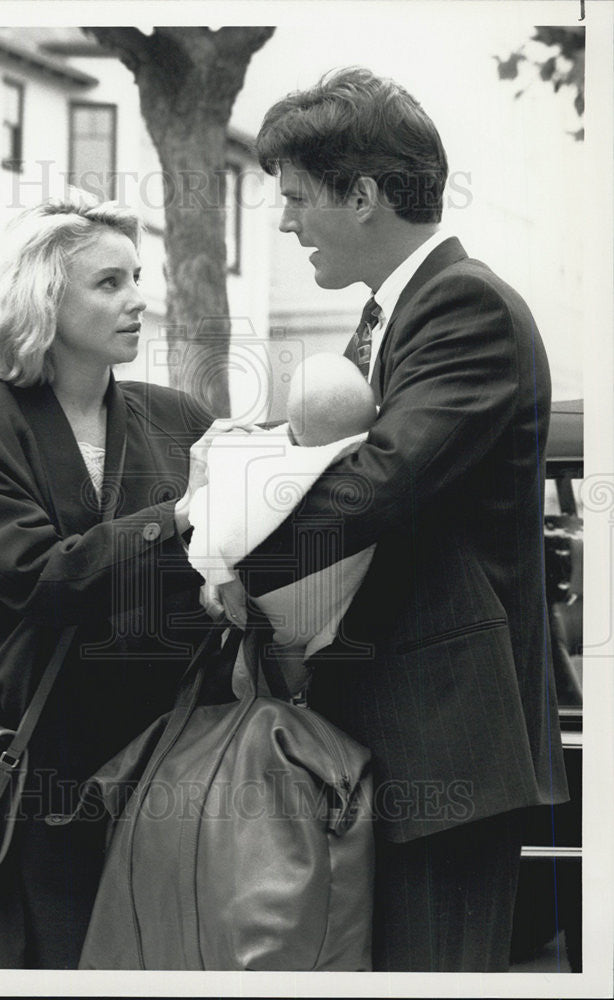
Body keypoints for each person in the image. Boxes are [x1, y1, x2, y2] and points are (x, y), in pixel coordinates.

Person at [205, 66, 569, 971]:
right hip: (400, 739)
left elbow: (378, 482)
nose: (286, 223)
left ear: (362, 195)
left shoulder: (462, 305)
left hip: (447, 744)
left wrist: (217, 560)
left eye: (296, 198)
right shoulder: (390, 317)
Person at [0, 192, 217, 968]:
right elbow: (43, 579)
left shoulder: (179, 419)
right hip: (42, 760)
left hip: (168, 753)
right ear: (45, 300)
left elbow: (231, 554)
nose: (137, 300)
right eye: (109, 283)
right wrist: (175, 518)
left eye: (137, 277)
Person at [190, 352, 378, 696]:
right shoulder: (370, 456)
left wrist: (223, 580)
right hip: (331, 613)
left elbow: (208, 526)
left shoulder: (260, 462)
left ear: (293, 429)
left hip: (269, 612)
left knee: (268, 667)